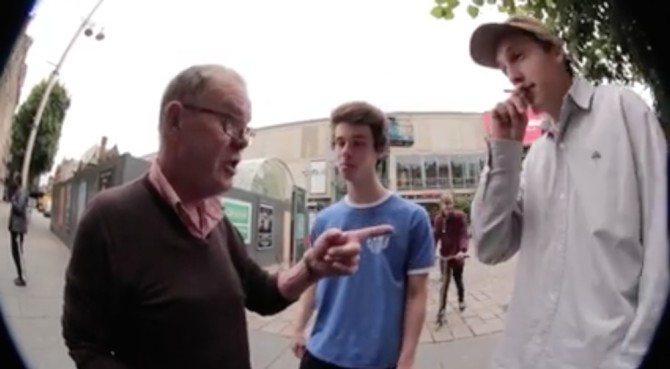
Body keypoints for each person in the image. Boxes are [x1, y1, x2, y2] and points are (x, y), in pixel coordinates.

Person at [61, 65, 391, 369]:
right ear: (176, 120)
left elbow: (260, 292)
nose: (242, 142)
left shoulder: (215, 219)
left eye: (247, 129)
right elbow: (85, 343)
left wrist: (310, 268)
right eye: (230, 123)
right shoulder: (110, 219)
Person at [469, 16, 669, 369]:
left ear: (557, 51)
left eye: (518, 57)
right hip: (523, 355)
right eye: (503, 69)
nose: (512, 75)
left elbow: (661, 238)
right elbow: (489, 246)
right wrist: (503, 150)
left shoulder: (622, 110)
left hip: (602, 356)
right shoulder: (533, 159)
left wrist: (634, 354)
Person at [290, 101, 435, 369]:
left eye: (357, 143)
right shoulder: (325, 219)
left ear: (380, 149)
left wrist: (407, 356)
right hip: (320, 354)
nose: (345, 152)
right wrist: (299, 326)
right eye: (340, 142)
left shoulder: (412, 218)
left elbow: (417, 294)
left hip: (378, 360)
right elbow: (314, 279)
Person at [433, 193, 468, 324]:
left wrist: (462, 250)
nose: (448, 208)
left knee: (458, 280)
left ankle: (461, 299)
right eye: (445, 205)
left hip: (457, 256)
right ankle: (441, 310)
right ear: (441, 206)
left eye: (450, 205)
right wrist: (431, 252)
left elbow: (463, 235)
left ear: (453, 205)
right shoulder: (438, 220)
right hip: (445, 256)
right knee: (445, 284)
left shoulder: (459, 217)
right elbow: (435, 237)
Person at [8, 174, 29, 287]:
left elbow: (20, 208)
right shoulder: (19, 192)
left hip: (18, 228)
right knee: (15, 252)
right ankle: (20, 275)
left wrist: (12, 201)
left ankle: (22, 277)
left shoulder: (22, 192)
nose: (13, 182)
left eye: (15, 180)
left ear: (18, 181)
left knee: (18, 253)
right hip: (14, 227)